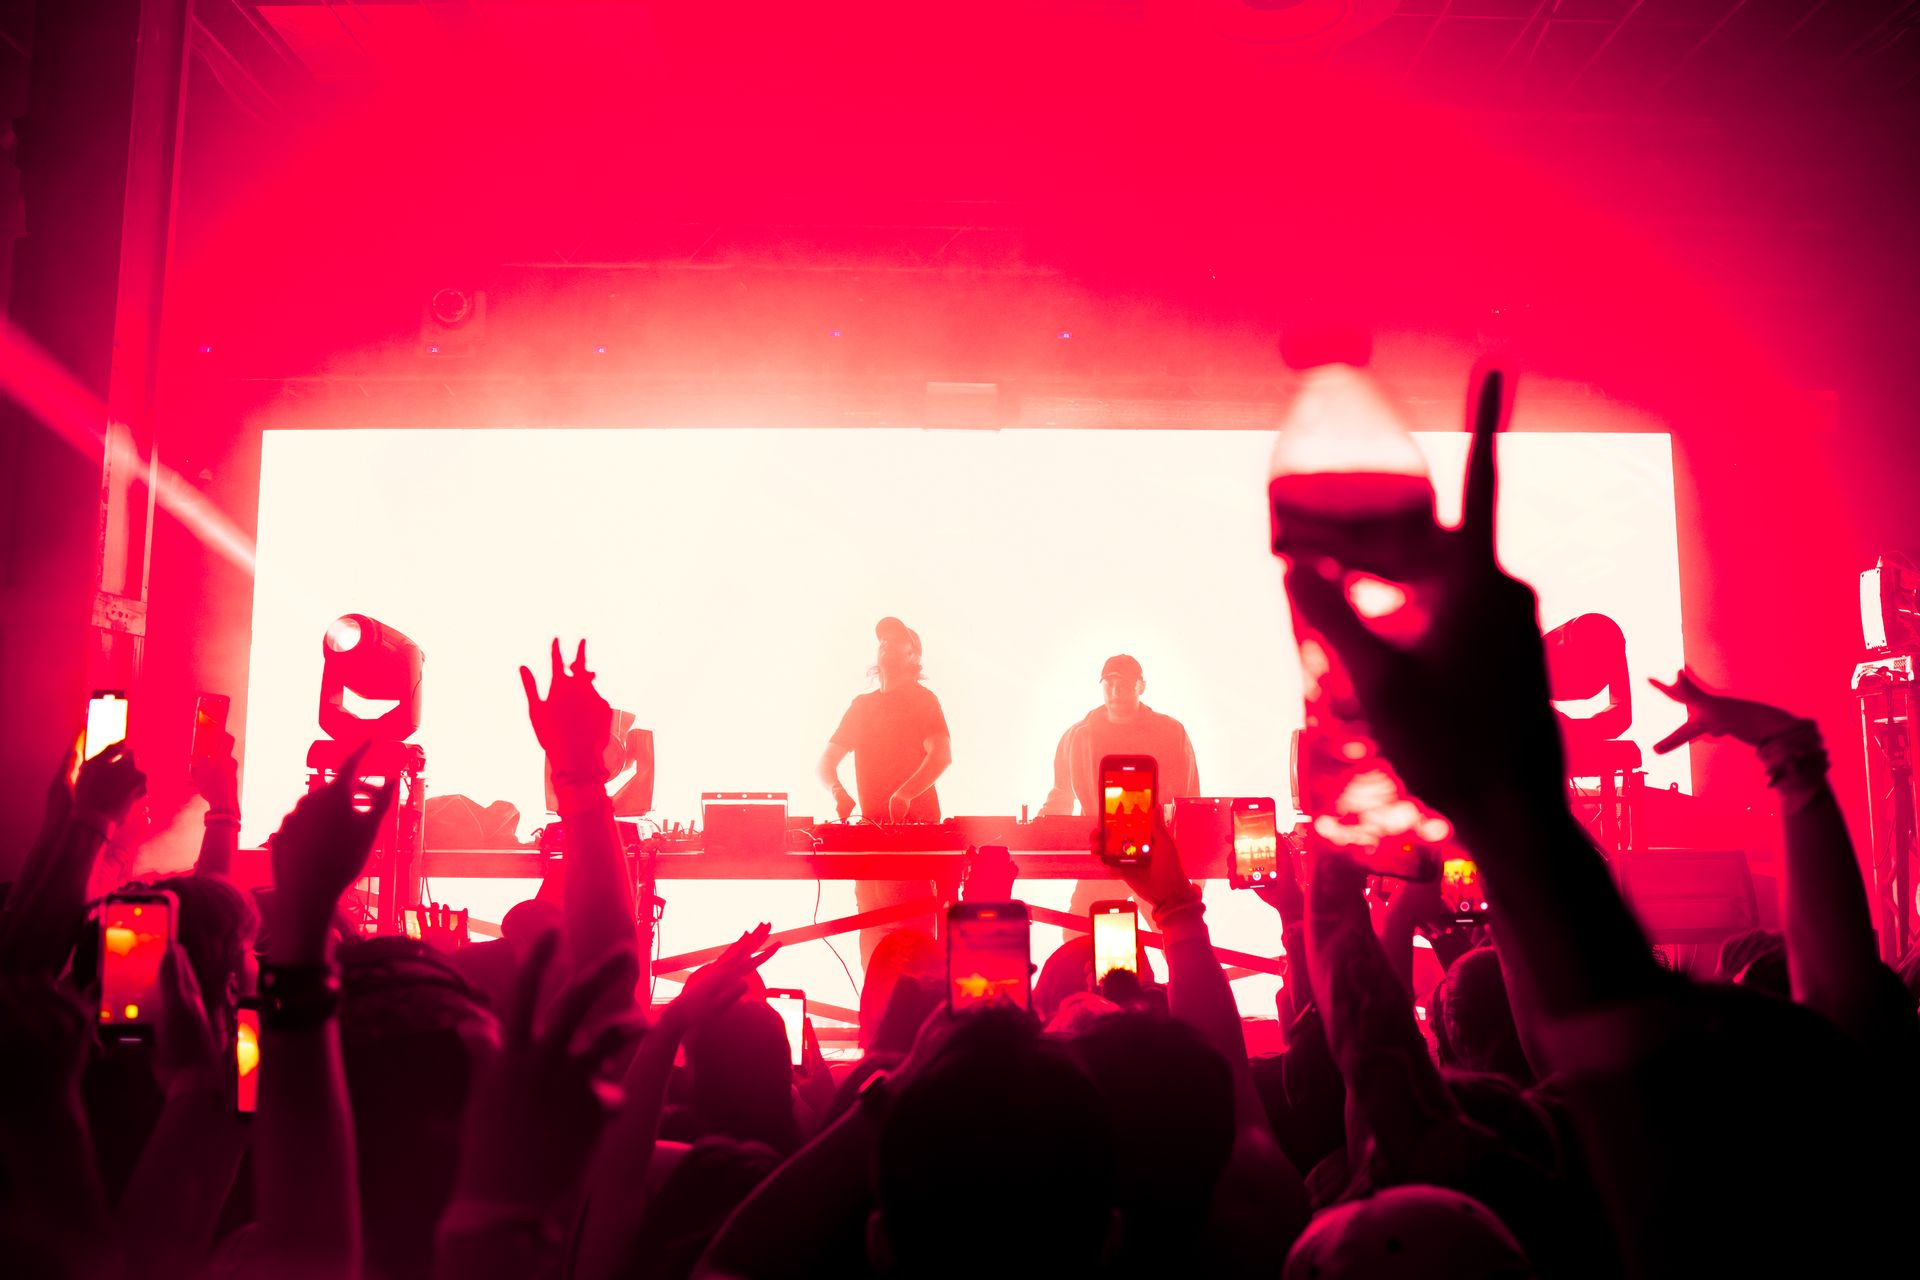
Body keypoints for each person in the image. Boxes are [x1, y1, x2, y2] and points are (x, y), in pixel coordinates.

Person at [817, 617, 953, 967]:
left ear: (913, 655)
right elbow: (826, 762)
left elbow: (941, 754)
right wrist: (838, 791)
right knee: (874, 945)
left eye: (896, 639)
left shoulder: (923, 700)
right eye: (883, 639)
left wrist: (905, 794)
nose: (886, 644)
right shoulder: (862, 706)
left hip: (914, 843)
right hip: (871, 842)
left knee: (914, 952)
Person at [1037, 653, 1201, 914]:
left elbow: (1188, 800)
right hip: (1101, 857)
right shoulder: (1078, 737)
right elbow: (1060, 795)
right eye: (1108, 684)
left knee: (1174, 925)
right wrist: (1041, 834)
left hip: (1156, 857)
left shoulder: (1171, 733)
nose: (1114, 691)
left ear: (1141, 686)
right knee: (1078, 930)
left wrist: (1194, 872)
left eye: (1122, 684)